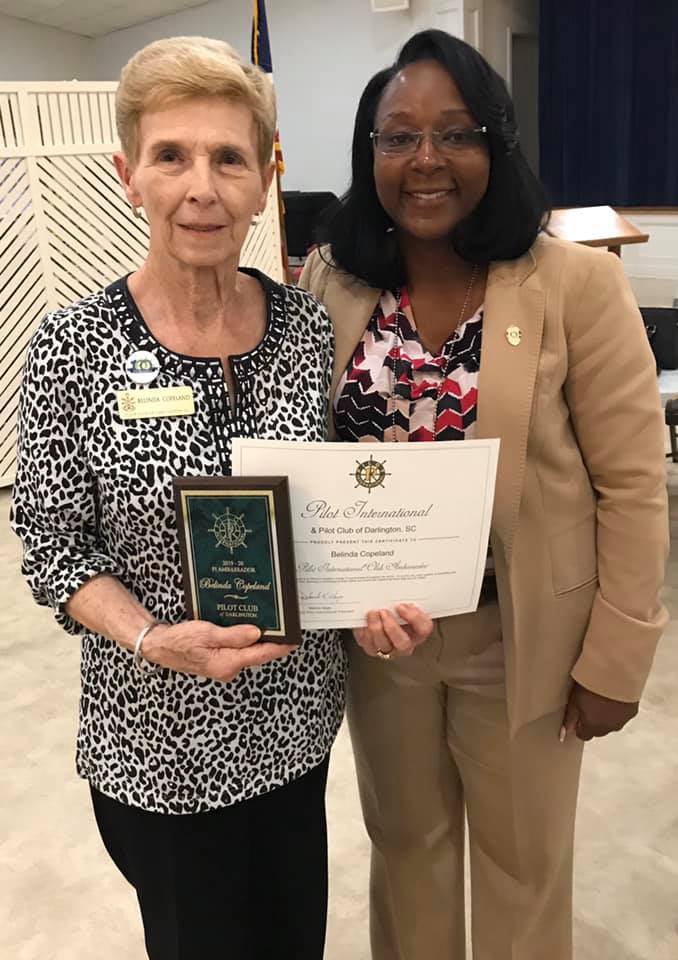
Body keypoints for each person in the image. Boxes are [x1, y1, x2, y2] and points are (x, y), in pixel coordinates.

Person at [10, 35, 388, 960]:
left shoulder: (305, 325)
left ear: (266, 177)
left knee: (294, 939)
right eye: (169, 155)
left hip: (297, 727)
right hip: (158, 746)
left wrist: (377, 593)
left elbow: (337, 511)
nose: (201, 187)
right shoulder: (72, 350)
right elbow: (54, 551)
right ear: (127, 174)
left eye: (228, 157)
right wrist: (147, 635)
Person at [300, 28, 668, 960]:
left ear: (495, 146)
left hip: (525, 643)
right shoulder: (331, 282)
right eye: (397, 138)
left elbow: (632, 483)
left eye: (455, 133)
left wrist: (617, 657)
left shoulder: (573, 283)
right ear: (368, 155)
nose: (426, 160)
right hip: (382, 639)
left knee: (522, 864)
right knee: (407, 852)